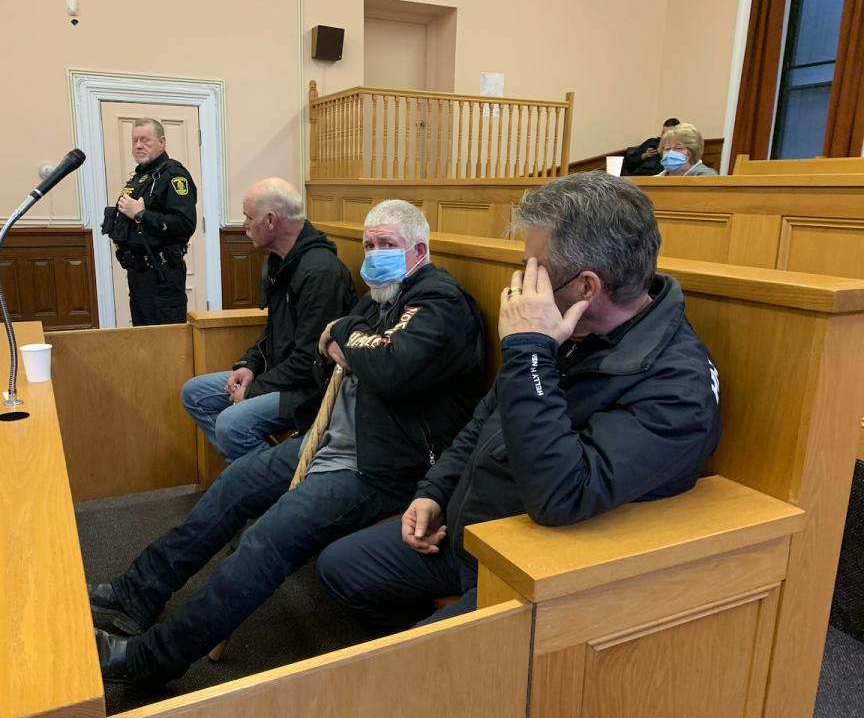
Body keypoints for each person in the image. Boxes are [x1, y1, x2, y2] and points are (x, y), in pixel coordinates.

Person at [91, 199, 487, 684]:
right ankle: (139, 592)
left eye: (388, 245)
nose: (374, 254)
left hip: (381, 467)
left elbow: (384, 362)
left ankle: (150, 660)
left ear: (419, 250)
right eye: (369, 245)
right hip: (329, 442)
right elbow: (331, 350)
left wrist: (345, 334)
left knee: (264, 541)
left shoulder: (441, 301)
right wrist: (351, 337)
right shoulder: (382, 295)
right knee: (233, 484)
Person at [317, 172, 723, 630]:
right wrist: (434, 492)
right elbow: (486, 418)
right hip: (469, 528)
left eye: (536, 272)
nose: (523, 288)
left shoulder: (677, 387)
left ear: (587, 287)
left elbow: (562, 494)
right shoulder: (570, 324)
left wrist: (530, 351)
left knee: (412, 667)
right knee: (340, 568)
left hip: (531, 565)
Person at [181, 178, 357, 461]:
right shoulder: (279, 260)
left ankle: (267, 483)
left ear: (271, 220)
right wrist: (248, 365)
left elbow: (310, 361)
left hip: (311, 390)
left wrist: (253, 390)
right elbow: (274, 332)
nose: (244, 225)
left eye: (249, 217)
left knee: (231, 424)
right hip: (280, 375)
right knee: (194, 393)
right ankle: (249, 475)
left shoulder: (322, 273)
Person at [106, 118, 198, 326]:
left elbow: (185, 224)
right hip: (138, 275)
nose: (138, 145)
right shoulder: (139, 178)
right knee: (144, 341)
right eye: (134, 140)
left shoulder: (173, 175)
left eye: (145, 140)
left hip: (162, 275)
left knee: (166, 343)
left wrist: (141, 214)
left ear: (162, 142)